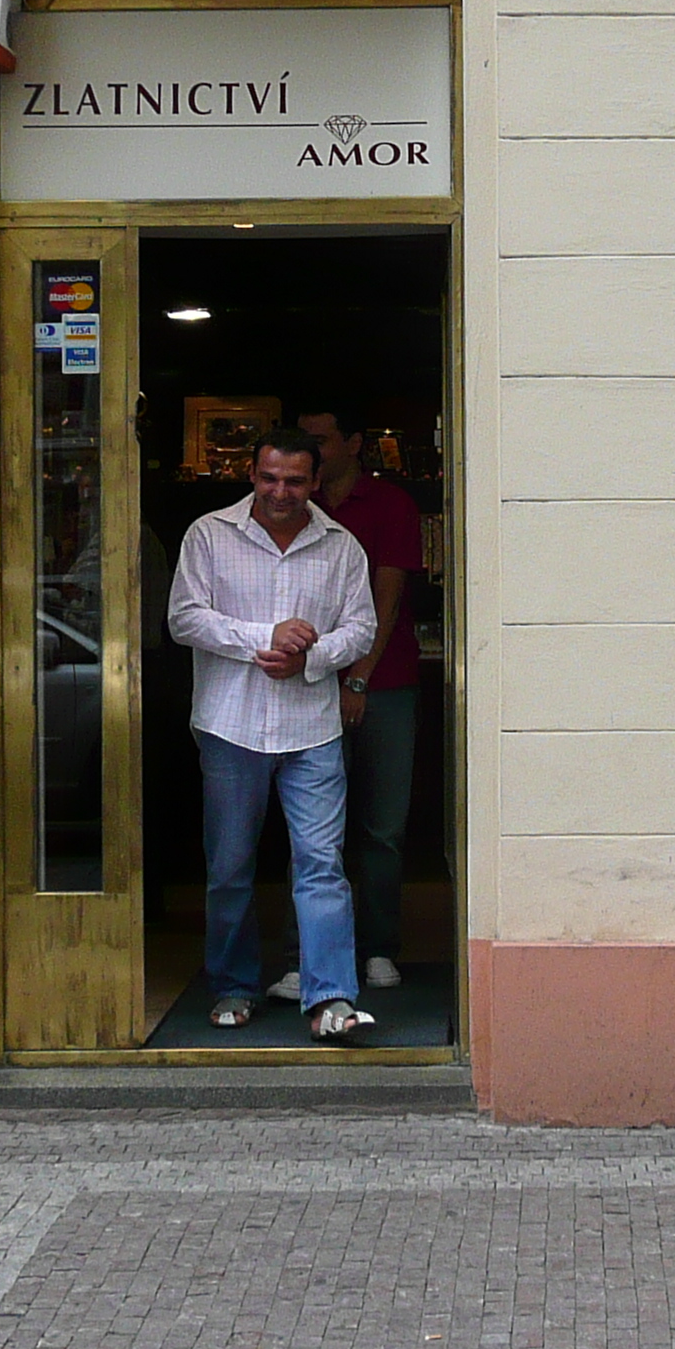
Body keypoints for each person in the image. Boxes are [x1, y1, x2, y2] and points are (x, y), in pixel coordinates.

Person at [166, 430, 382, 1042]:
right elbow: (183, 618)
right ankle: (233, 986)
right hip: (230, 725)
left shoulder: (340, 546)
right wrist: (266, 638)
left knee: (320, 864)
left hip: (311, 727)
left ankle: (331, 997)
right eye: (269, 478)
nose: (279, 491)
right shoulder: (209, 534)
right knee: (230, 866)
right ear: (252, 475)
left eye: (293, 480)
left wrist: (309, 657)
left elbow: (361, 629)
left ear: (315, 482)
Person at [300, 405, 422, 991]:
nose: (312, 451)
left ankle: (377, 948)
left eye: (320, 440)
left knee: (381, 827)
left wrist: (358, 680)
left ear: (353, 442)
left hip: (385, 682)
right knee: (316, 829)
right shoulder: (293, 504)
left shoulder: (391, 504)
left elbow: (387, 599)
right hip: (308, 685)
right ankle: (316, 956)